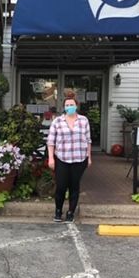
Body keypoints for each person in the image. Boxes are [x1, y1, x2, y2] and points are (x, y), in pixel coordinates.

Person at [47, 93, 92, 223]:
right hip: (62, 158)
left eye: (71, 104)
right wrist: (51, 158)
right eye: (67, 105)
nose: (69, 107)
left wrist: (89, 157)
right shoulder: (57, 121)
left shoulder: (83, 121)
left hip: (79, 158)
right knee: (61, 186)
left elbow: (88, 140)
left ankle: (71, 212)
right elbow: (51, 142)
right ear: (64, 107)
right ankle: (58, 210)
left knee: (74, 187)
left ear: (76, 106)